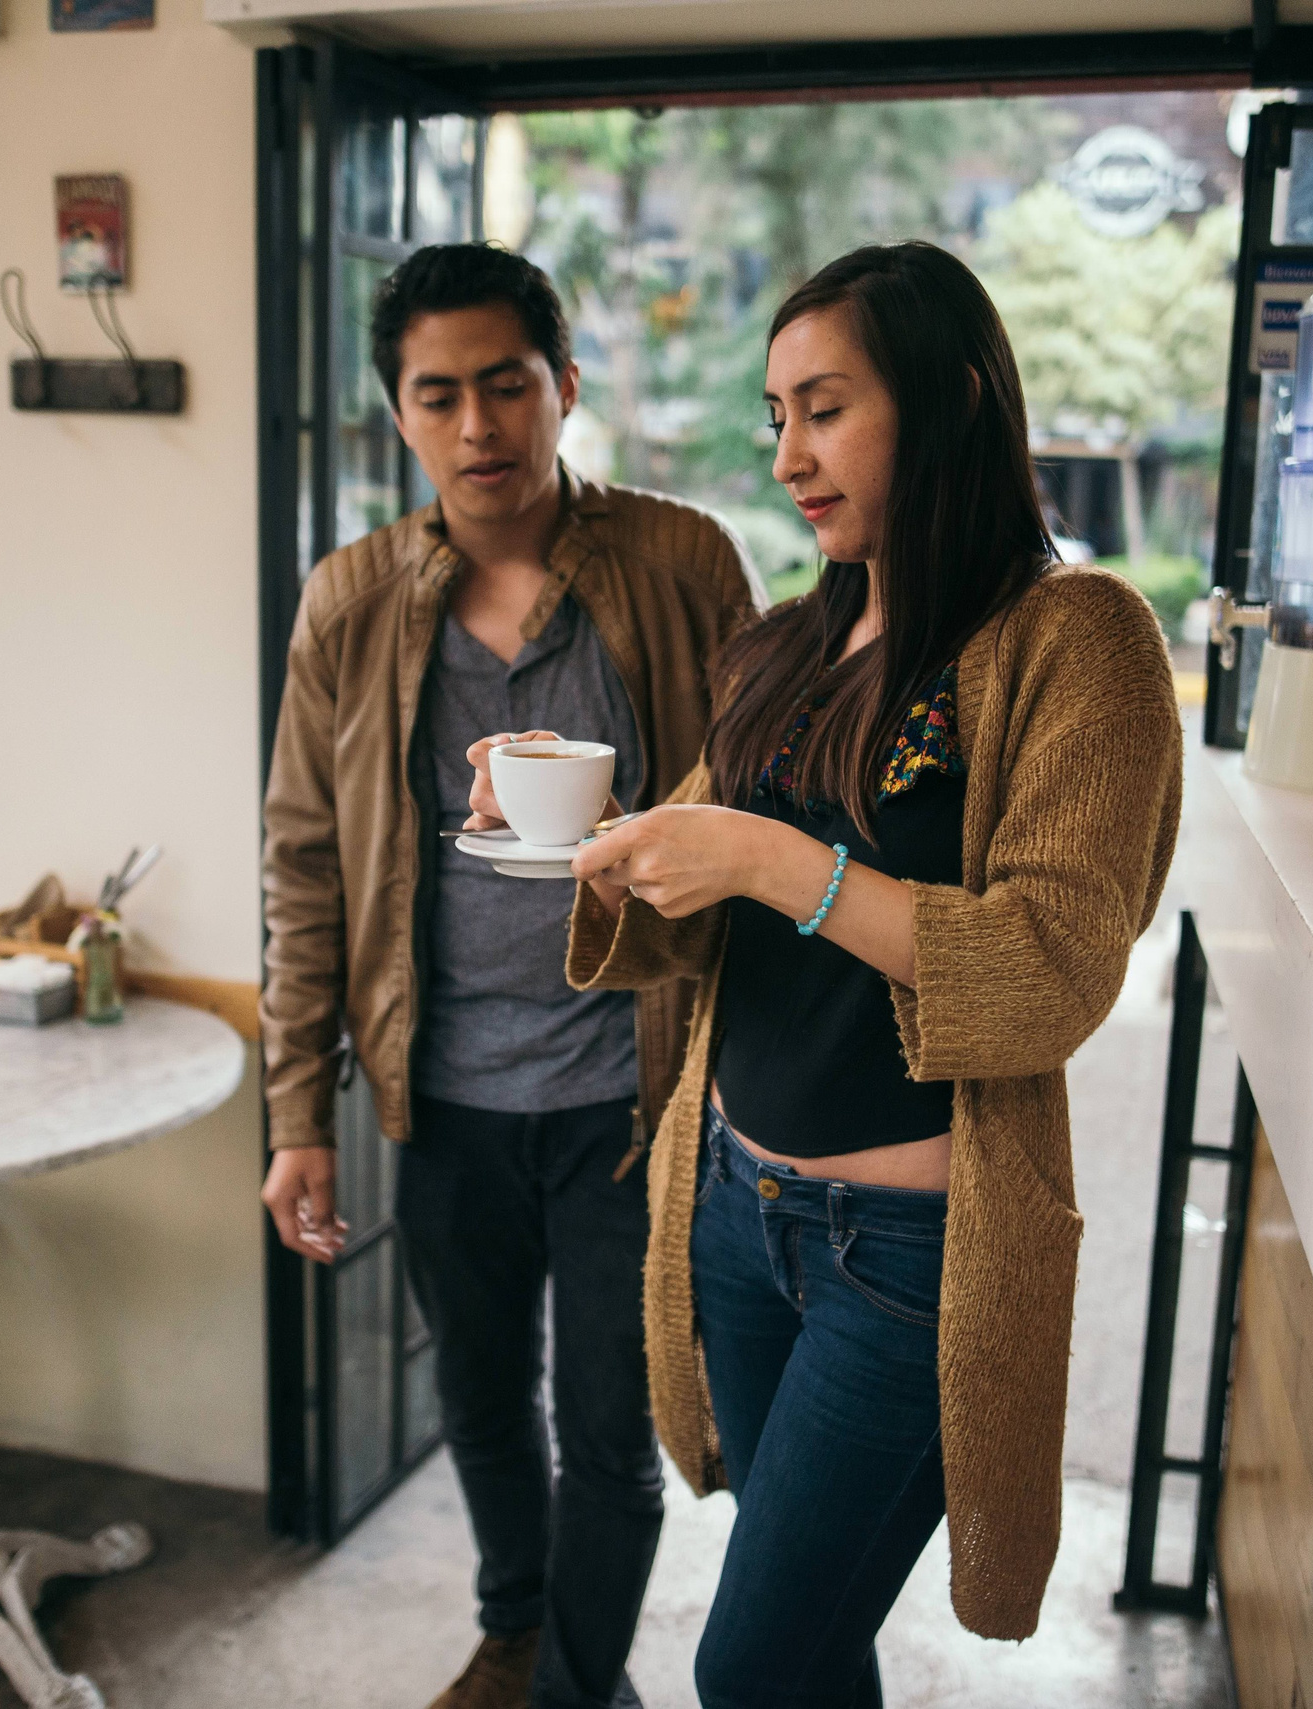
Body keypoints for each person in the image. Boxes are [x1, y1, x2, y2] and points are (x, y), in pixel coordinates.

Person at [470, 242, 1183, 1707]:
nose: (788, 453)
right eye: (775, 415)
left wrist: (774, 862)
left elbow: (1050, 970)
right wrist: (576, 827)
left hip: (912, 1258)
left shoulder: (1074, 641)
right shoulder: (786, 645)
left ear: (951, 401)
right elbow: (693, 881)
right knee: (811, 1641)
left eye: (825, 407)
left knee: (748, 1662)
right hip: (738, 1210)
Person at [259, 243, 761, 1709]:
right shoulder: (353, 600)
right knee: (478, 1401)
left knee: (614, 1427)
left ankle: (569, 1685)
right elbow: (306, 859)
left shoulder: (678, 563)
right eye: (439, 395)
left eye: (506, 384)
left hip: (630, 1086)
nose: (478, 425)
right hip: (450, 1093)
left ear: (563, 390)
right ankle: (516, 1624)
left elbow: (756, 803)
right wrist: (300, 1110)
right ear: (398, 417)